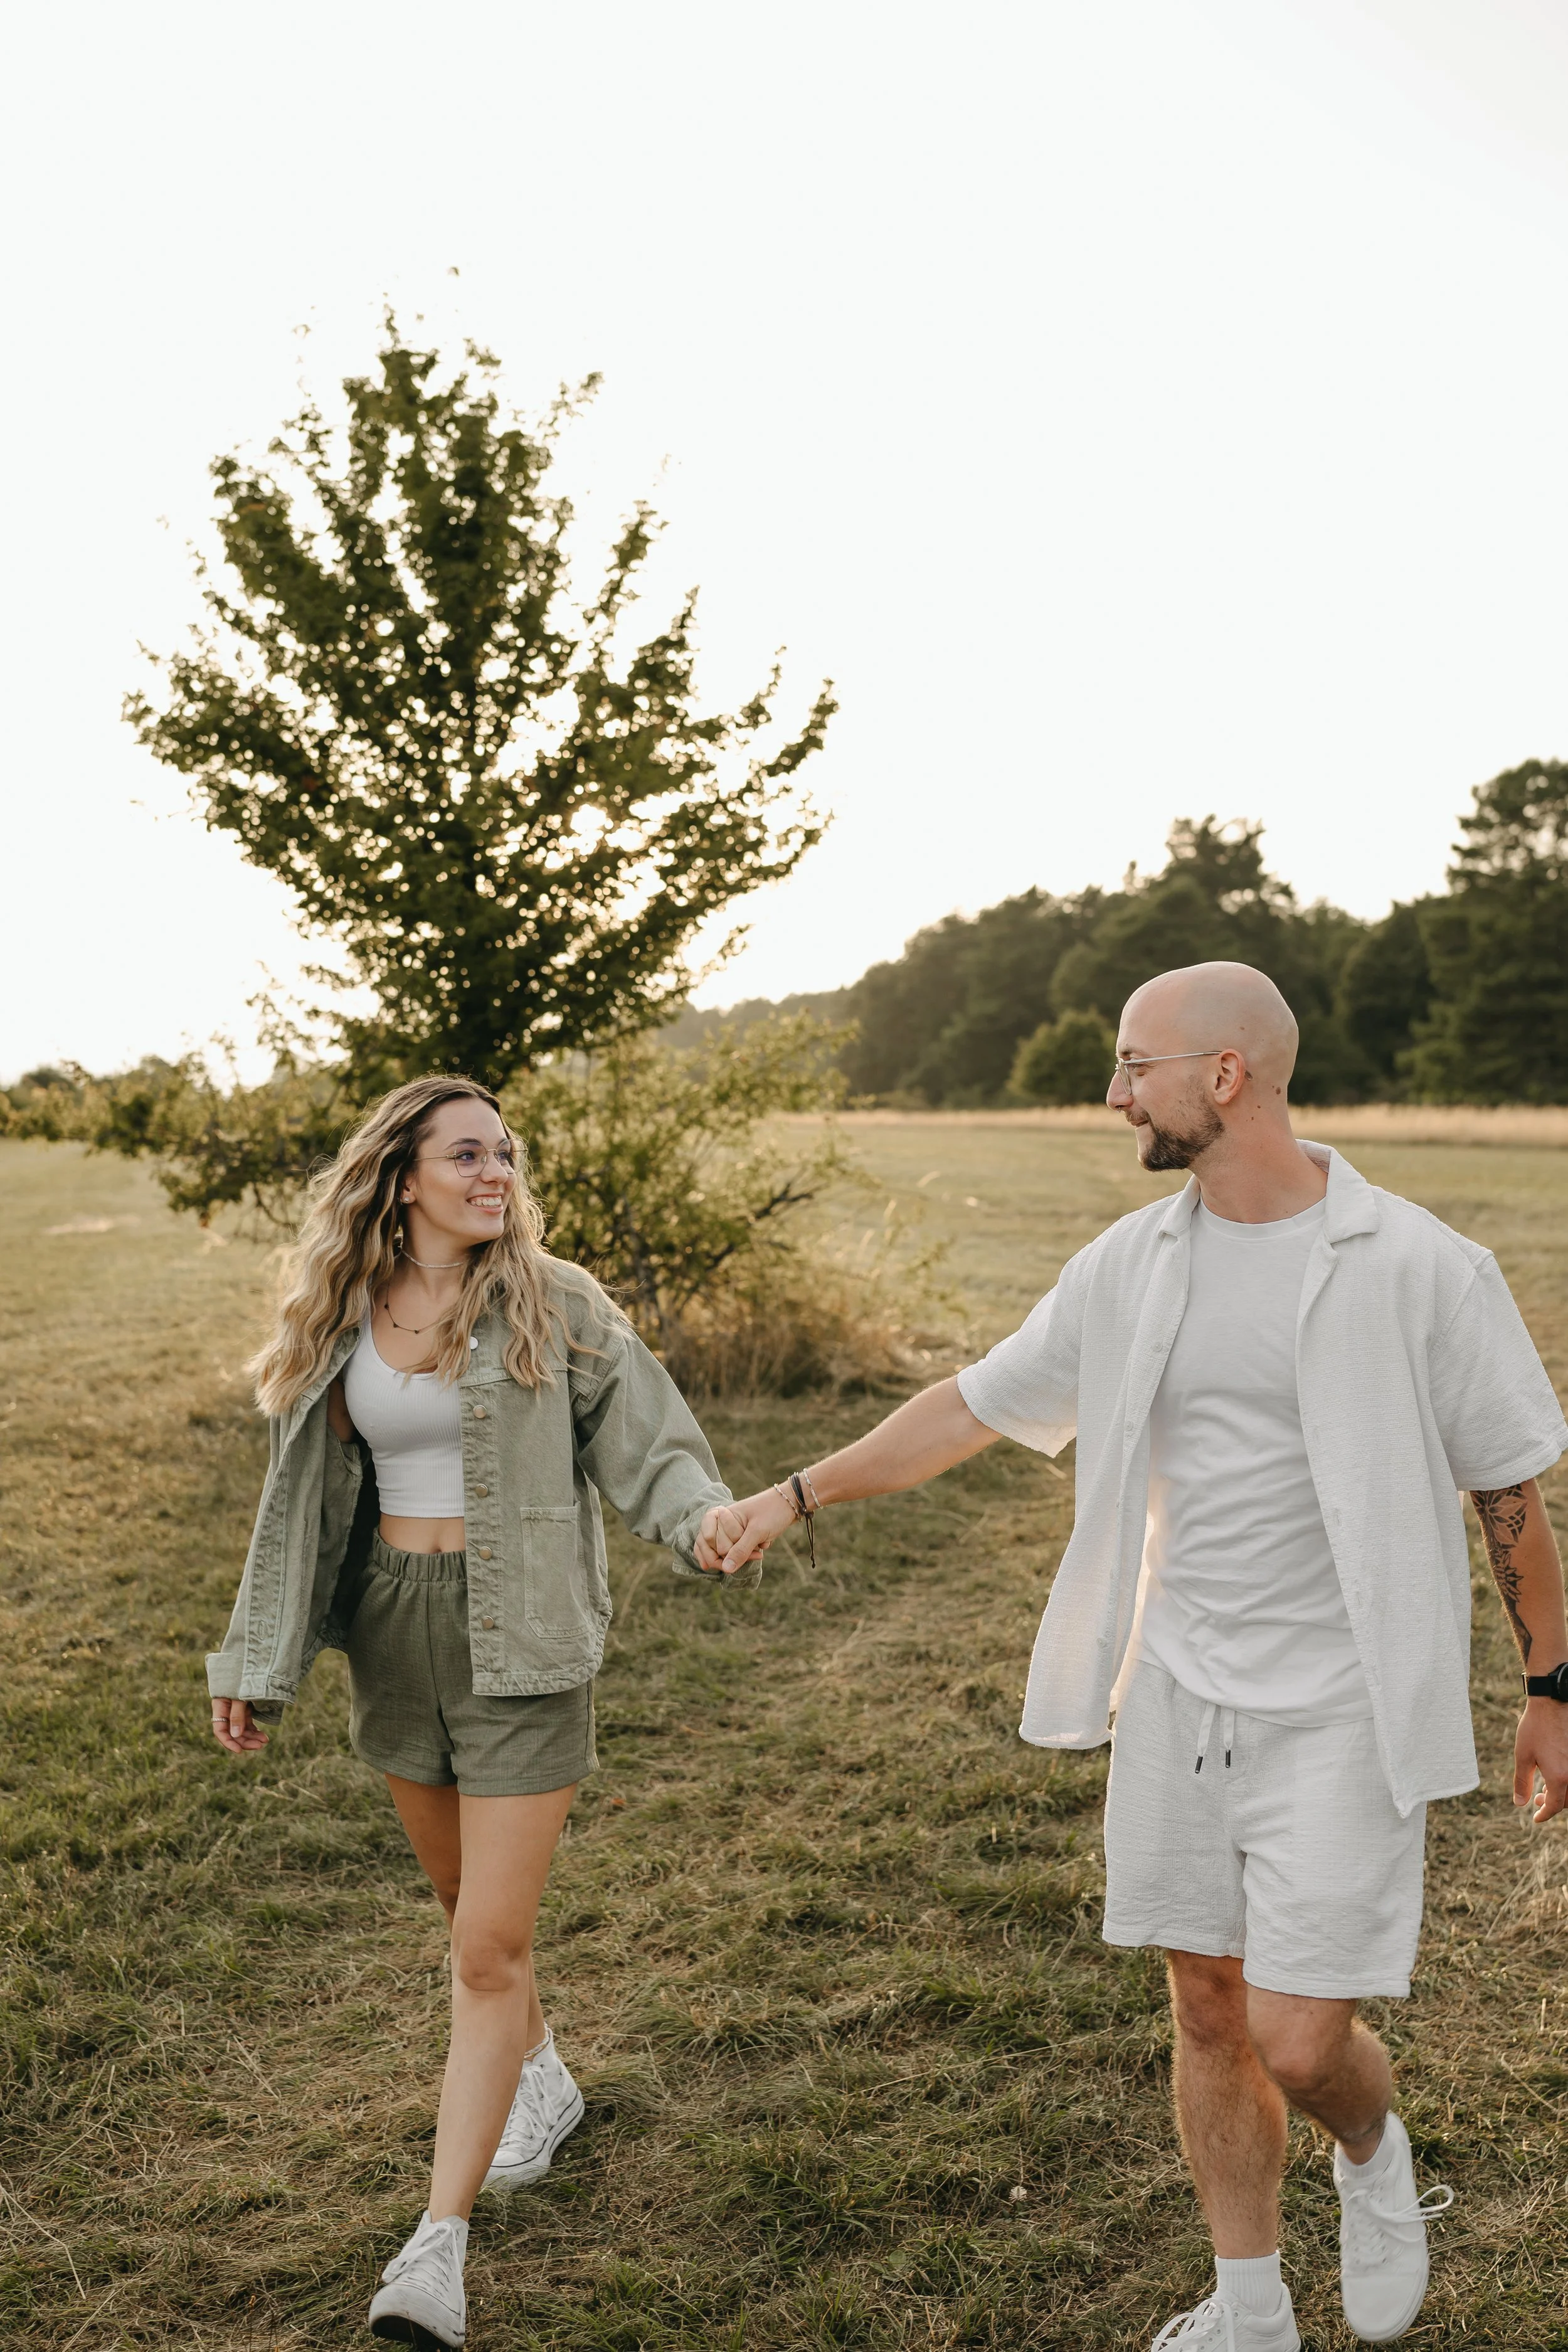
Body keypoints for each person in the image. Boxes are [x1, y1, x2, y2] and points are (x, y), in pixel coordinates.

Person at [702, 961, 1568, 2350]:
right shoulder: (1125, 1266)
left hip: (1341, 1712)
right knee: (1207, 2006)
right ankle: (1246, 2307)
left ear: (1223, 1074)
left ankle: (1368, 2150)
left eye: (1132, 1064)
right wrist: (791, 1494)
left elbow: (1508, 1493)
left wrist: (1547, 1689)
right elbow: (969, 1408)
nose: (1114, 1094)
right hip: (1176, 1697)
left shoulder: (1417, 1265)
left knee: (1298, 2040)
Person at [208, 1076, 744, 2351]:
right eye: (466, 1154)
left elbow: (651, 1444)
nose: (495, 1172)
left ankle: (432, 2253)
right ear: (402, 1177)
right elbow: (291, 1508)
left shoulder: (553, 1304)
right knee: (469, 1922)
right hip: (395, 1635)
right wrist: (257, 1656)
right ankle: (539, 2082)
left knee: (487, 1951)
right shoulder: (343, 1311)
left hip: (524, 1640)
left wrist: (700, 1516)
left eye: (504, 1153)